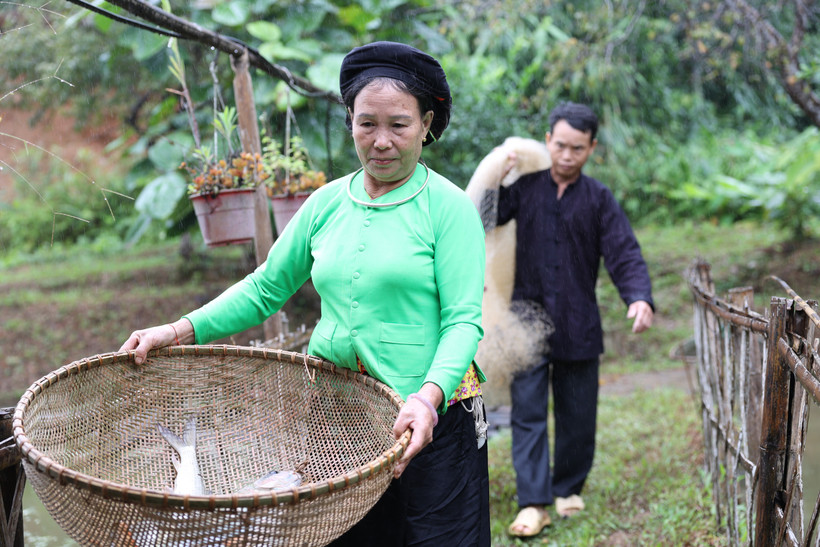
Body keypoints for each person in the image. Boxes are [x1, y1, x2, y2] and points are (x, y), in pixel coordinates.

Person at [119, 41, 489, 546]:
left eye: (398, 125)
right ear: (350, 123)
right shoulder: (324, 204)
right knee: (346, 536)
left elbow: (463, 320)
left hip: (431, 415)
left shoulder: (449, 208)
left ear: (426, 125)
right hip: (340, 415)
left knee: (438, 538)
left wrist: (428, 399)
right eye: (366, 123)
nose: (380, 141)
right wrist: (177, 330)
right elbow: (266, 287)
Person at [495, 102, 655, 537]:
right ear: (548, 141)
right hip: (525, 321)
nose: (567, 156)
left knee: (578, 412)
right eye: (561, 145)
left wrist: (639, 298)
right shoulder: (524, 189)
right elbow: (481, 215)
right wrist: (498, 174)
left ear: (591, 148)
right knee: (527, 413)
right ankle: (532, 502)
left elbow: (624, 252)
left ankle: (567, 487)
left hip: (579, 321)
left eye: (577, 149)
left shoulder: (599, 198)